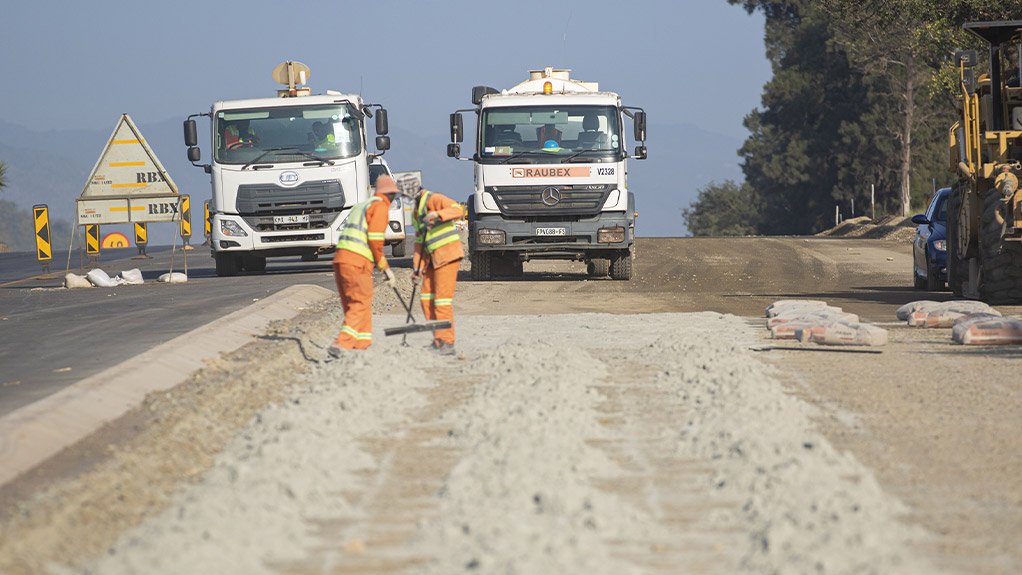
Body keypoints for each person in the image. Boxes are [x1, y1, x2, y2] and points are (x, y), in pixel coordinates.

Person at [329, 175, 400, 356]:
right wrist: (385, 268)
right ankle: (342, 343)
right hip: (357, 261)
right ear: (389, 195)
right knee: (360, 303)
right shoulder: (380, 207)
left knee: (353, 304)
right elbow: (375, 241)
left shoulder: (361, 206)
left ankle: (361, 342)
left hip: (341, 259)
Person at [410, 182, 465, 354]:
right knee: (426, 300)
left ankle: (447, 342)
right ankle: (439, 339)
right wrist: (416, 269)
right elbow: (419, 243)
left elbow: (459, 210)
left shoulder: (435, 199)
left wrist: (438, 214)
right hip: (432, 261)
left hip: (447, 256)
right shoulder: (416, 213)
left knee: (441, 301)